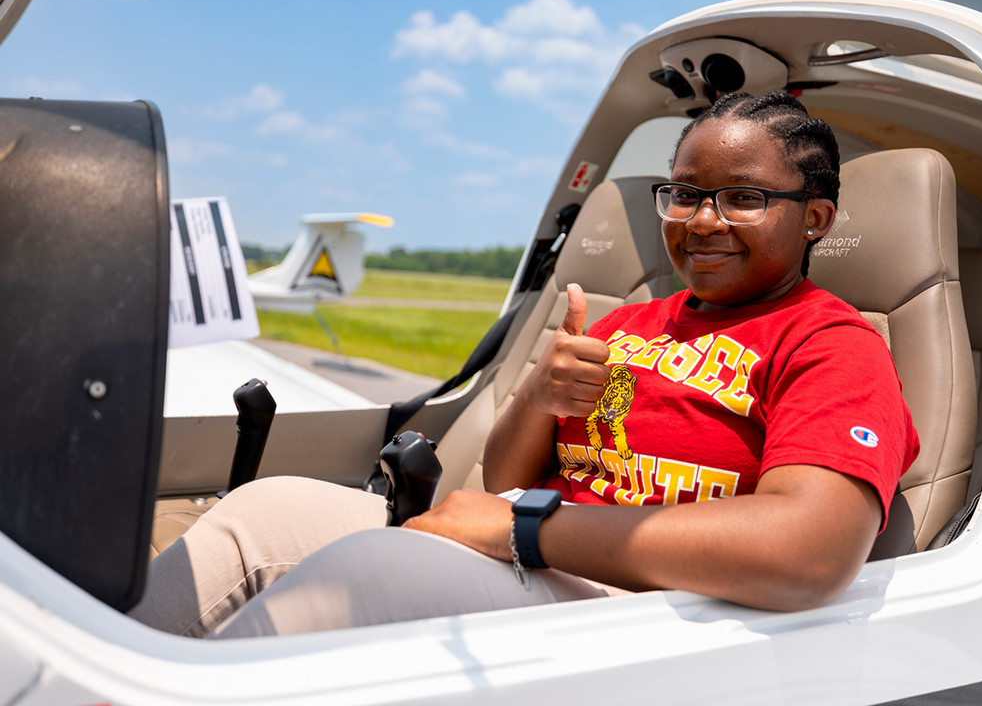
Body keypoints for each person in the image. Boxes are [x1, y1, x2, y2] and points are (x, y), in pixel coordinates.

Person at [130, 91, 919, 639]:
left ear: (814, 219)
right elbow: (506, 474)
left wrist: (522, 527)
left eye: (742, 198)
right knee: (268, 510)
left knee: (371, 568)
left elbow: (808, 553)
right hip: (538, 550)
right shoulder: (632, 324)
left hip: (644, 599)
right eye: (683, 193)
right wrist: (541, 395)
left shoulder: (829, 344)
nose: (702, 220)